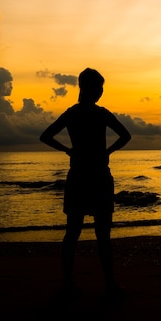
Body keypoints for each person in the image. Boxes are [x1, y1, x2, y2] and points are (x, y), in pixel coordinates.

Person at [40, 67, 131, 300]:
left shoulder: (73, 113)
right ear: (91, 89)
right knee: (102, 234)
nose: (100, 92)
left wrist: (68, 150)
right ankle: (108, 284)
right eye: (99, 88)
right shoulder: (101, 114)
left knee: (73, 233)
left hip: (81, 174)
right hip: (97, 175)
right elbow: (125, 136)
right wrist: (107, 151)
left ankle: (70, 284)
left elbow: (46, 136)